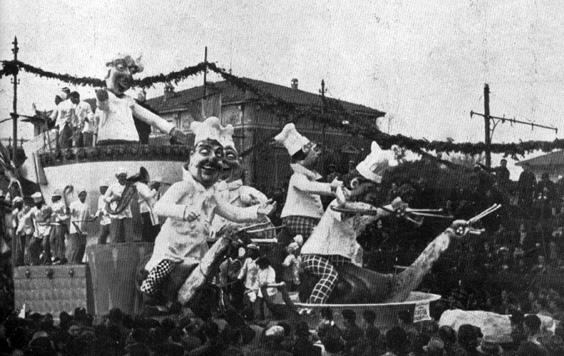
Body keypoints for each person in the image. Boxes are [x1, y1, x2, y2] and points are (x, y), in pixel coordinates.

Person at [140, 117, 276, 308]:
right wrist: (182, 210)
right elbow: (159, 207)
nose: (212, 159)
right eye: (205, 152)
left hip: (196, 251)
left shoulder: (212, 195)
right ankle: (149, 291)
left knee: (200, 280)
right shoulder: (183, 187)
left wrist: (257, 211)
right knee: (161, 273)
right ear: (191, 157)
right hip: (173, 248)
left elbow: (234, 213)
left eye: (218, 155)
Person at [299, 141, 397, 305]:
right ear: (355, 184)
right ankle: (311, 308)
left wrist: (392, 207)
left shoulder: (357, 208)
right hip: (313, 255)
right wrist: (367, 209)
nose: (369, 194)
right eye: (367, 189)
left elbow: (372, 214)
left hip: (337, 259)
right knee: (330, 276)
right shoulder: (338, 204)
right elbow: (347, 209)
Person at [95, 54, 187, 145]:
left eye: (130, 72)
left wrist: (171, 129)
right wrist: (102, 98)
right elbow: (102, 106)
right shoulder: (107, 96)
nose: (127, 75)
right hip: (108, 141)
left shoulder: (128, 101)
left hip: (131, 142)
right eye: (121, 68)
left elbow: (150, 117)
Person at [274, 123, 341, 241]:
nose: (318, 154)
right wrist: (331, 188)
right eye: (314, 151)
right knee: (321, 238)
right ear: (302, 158)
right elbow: (308, 187)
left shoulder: (310, 176)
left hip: (309, 219)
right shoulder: (297, 176)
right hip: (298, 218)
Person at [20, 192, 53, 264]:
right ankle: (35, 261)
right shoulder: (33, 209)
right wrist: (22, 221)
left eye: (38, 203)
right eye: (35, 202)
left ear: (41, 202)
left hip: (46, 230)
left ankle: (48, 260)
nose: (37, 204)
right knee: (31, 244)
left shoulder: (46, 208)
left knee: (44, 244)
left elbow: (50, 216)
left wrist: (48, 219)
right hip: (38, 232)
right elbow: (26, 216)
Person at [104, 168, 133, 243]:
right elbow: (105, 198)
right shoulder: (113, 186)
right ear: (118, 177)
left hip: (127, 214)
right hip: (115, 215)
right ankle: (114, 253)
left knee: (128, 236)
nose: (122, 178)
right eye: (121, 176)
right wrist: (113, 199)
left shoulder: (130, 187)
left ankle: (129, 253)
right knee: (115, 237)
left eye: (124, 176)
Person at [68, 188, 95, 263]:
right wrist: (76, 228)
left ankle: (79, 261)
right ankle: (72, 261)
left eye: (84, 195)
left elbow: (89, 216)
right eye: (82, 195)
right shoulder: (74, 204)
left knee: (83, 245)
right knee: (76, 246)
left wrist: (94, 217)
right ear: (79, 196)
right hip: (75, 229)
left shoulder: (87, 205)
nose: (83, 197)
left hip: (83, 229)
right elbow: (71, 215)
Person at [134, 169, 160, 243]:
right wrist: (154, 189)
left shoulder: (144, 186)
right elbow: (147, 196)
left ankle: (149, 243)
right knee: (149, 228)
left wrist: (155, 189)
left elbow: (152, 198)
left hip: (150, 210)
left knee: (149, 228)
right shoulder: (140, 186)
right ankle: (147, 244)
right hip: (146, 210)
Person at [49, 189, 69, 264]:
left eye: (53, 197)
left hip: (60, 224)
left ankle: (62, 256)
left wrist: (60, 218)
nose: (52, 198)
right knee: (51, 240)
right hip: (53, 225)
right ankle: (55, 255)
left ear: (57, 197)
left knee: (60, 241)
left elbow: (66, 215)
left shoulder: (61, 204)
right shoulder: (52, 205)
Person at [95, 180, 111, 244]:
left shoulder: (110, 197)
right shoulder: (100, 198)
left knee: (113, 239)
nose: (101, 190)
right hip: (103, 222)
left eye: (103, 188)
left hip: (110, 221)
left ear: (107, 189)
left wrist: (104, 212)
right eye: (100, 188)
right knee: (101, 240)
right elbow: (99, 209)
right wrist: (96, 216)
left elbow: (111, 210)